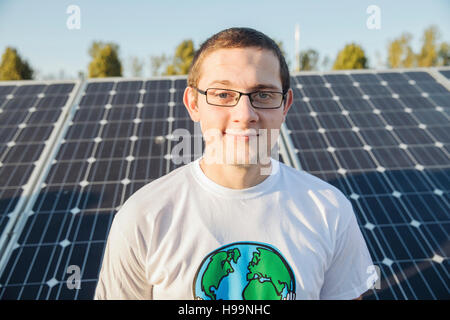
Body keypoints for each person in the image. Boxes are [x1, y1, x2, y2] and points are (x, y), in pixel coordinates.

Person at [94, 27, 378, 300]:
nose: (245, 114)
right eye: (222, 94)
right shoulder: (143, 217)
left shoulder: (329, 210)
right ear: (193, 103)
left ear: (285, 105)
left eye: (263, 94)